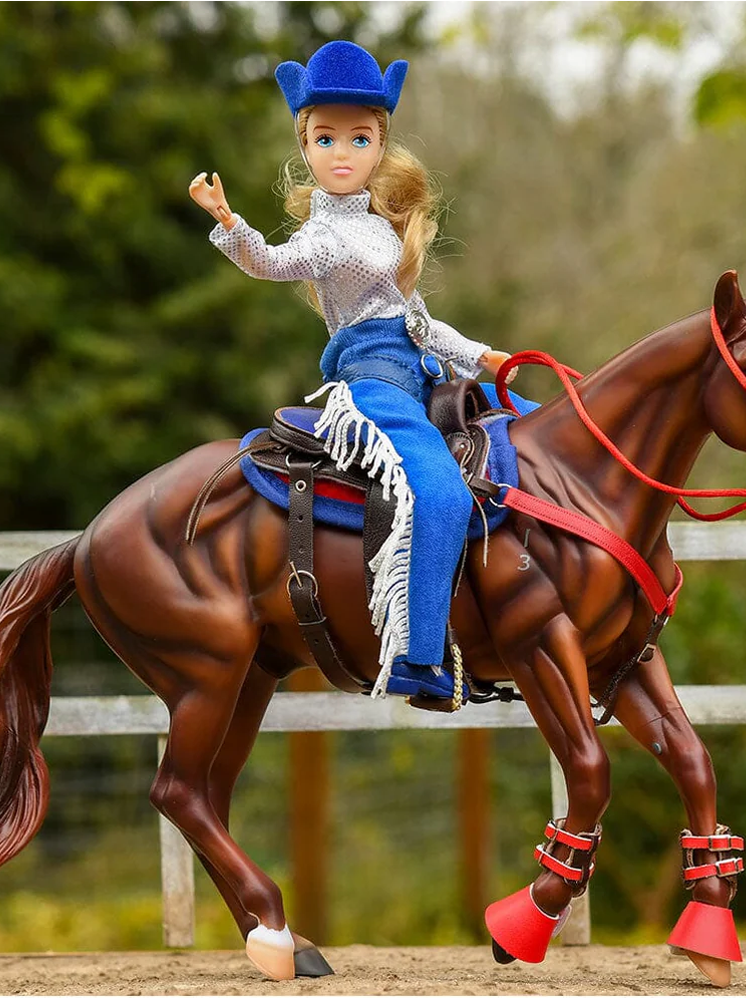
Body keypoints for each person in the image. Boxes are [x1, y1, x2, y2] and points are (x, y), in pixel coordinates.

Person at [189, 40, 513, 701]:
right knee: (441, 493)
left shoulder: (381, 228)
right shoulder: (322, 236)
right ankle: (418, 657)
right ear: (305, 147)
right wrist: (230, 222)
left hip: (426, 369)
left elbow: (417, 319)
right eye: (325, 139)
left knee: (526, 426)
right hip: (376, 382)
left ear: (380, 145)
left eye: (359, 139)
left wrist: (481, 356)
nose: (342, 153)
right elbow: (271, 263)